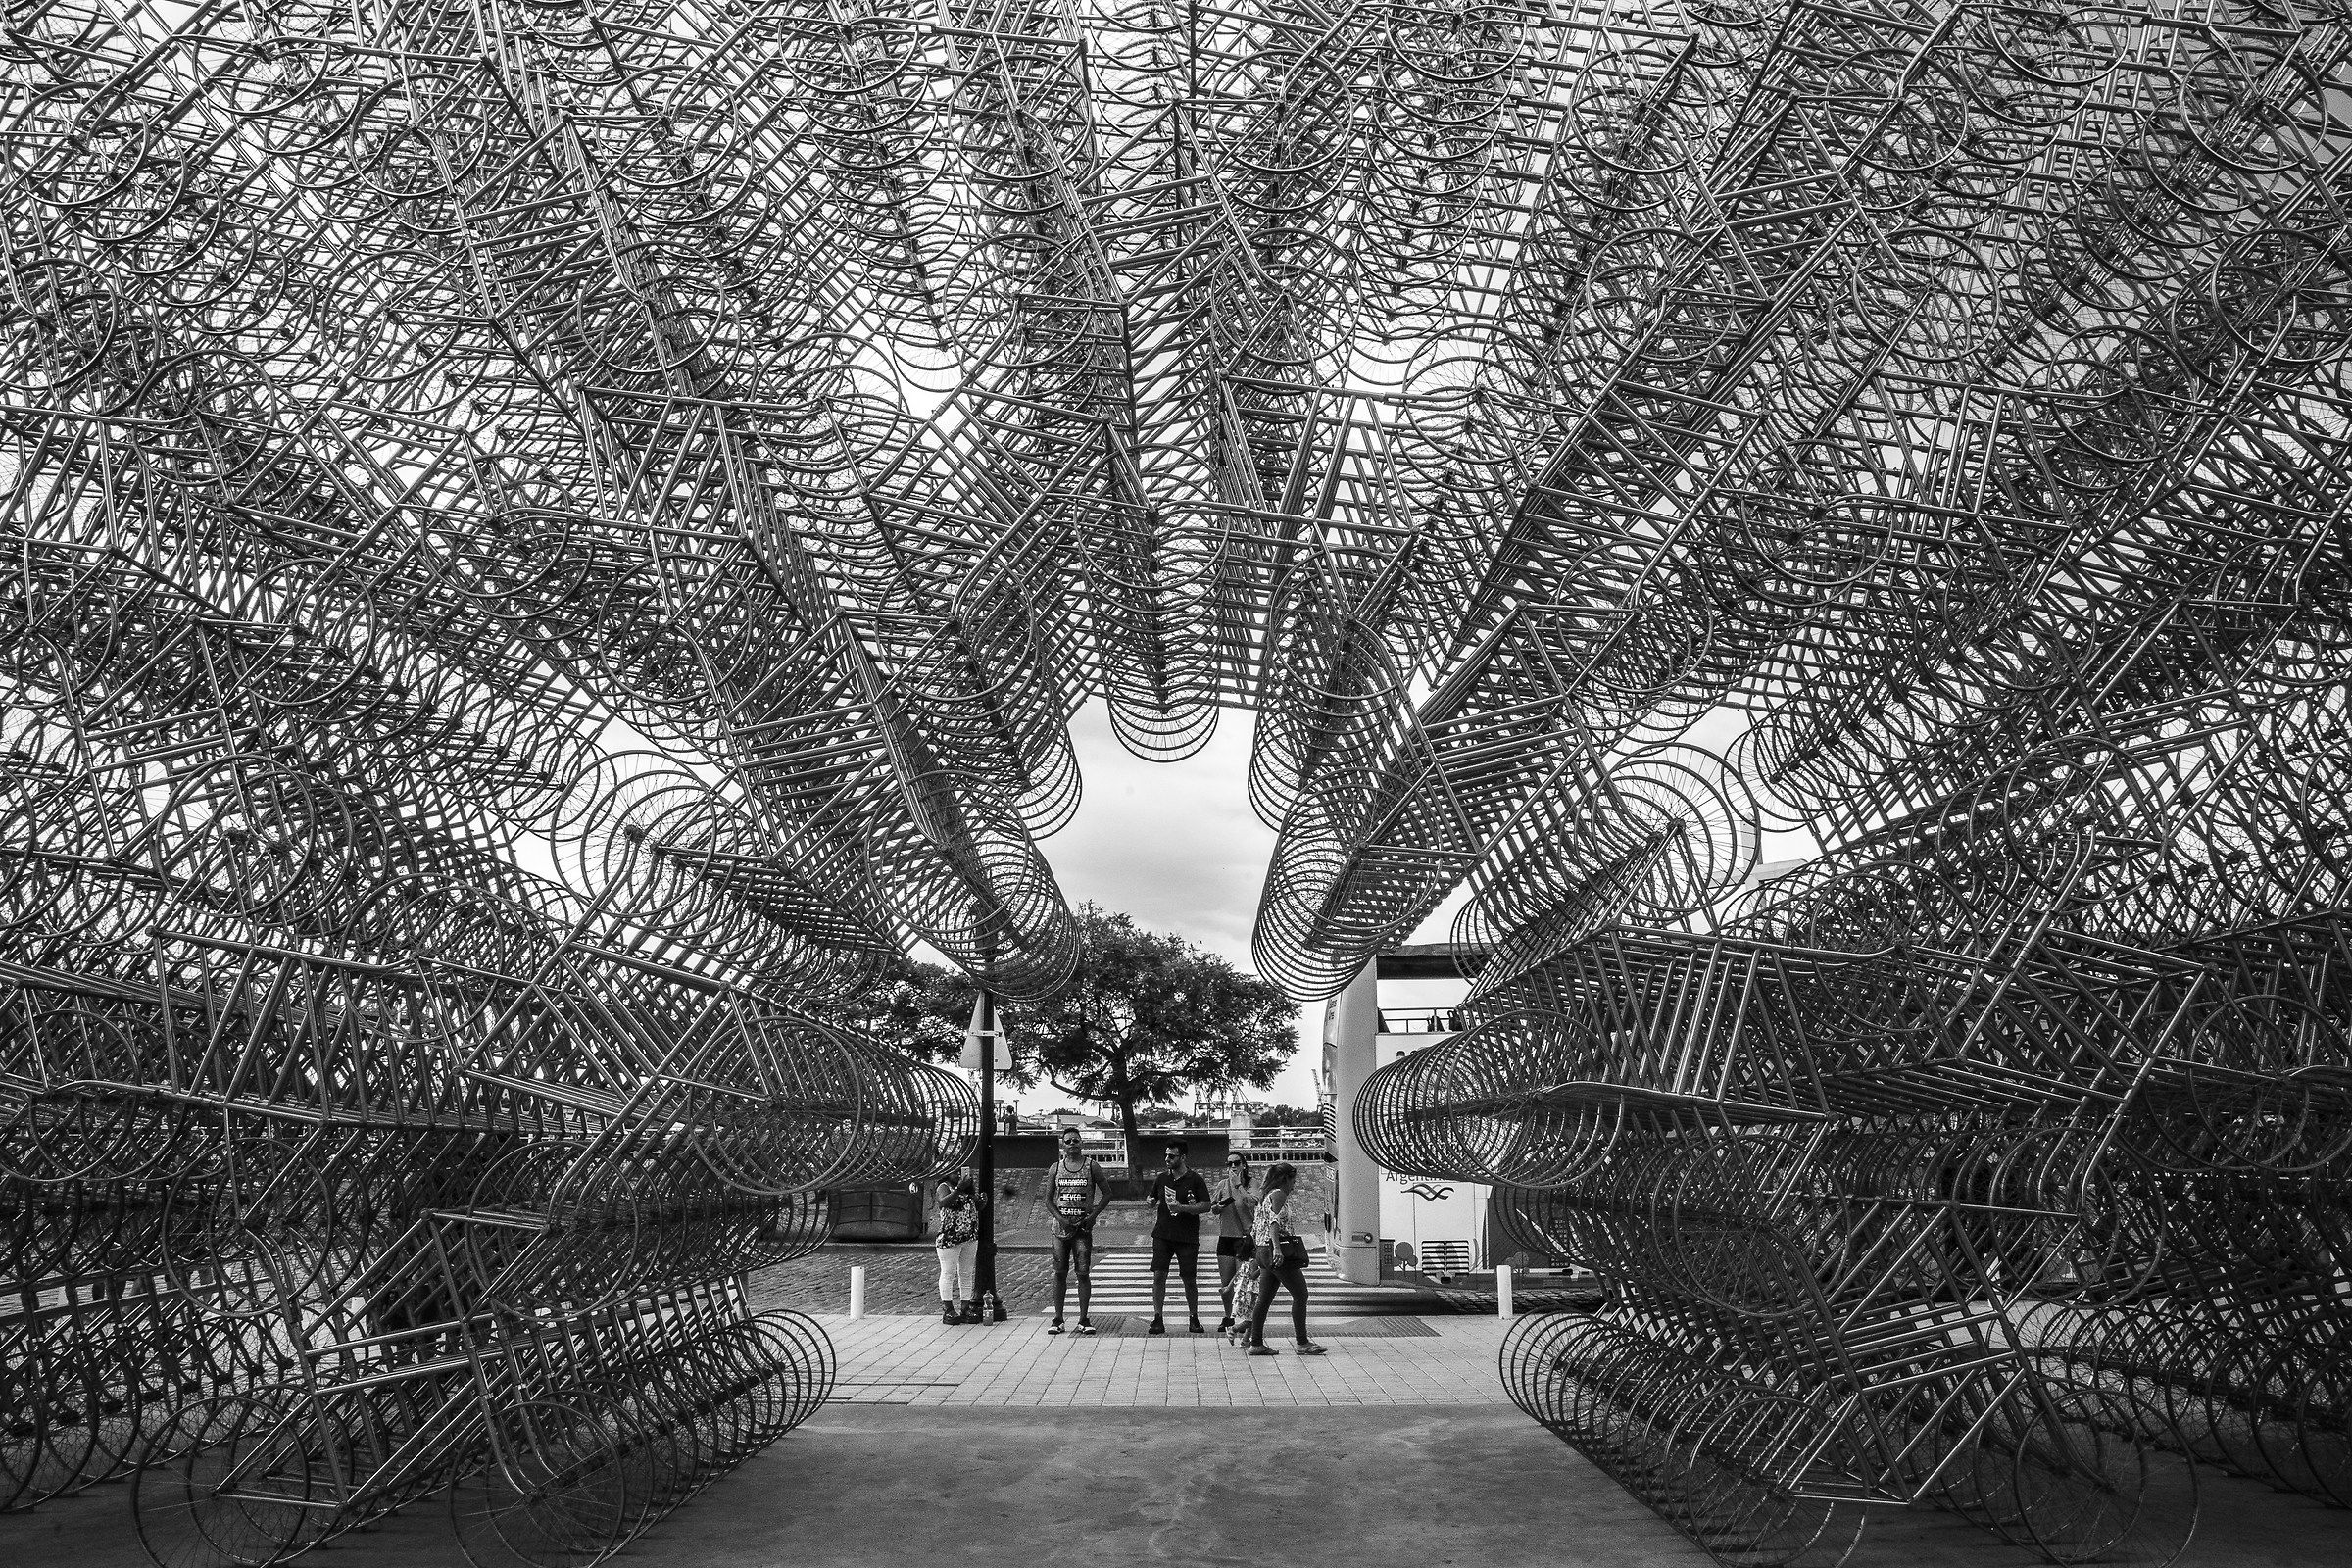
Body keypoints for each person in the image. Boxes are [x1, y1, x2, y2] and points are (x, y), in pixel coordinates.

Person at [1246, 1161, 1324, 1356]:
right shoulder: (1278, 1194)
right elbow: (1274, 1221)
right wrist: (1277, 1249)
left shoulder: (1266, 1195)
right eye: (1293, 1180)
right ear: (1285, 1179)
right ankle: (1302, 1341)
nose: (1294, 1185)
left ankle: (1256, 1342)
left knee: (1264, 1299)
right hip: (1275, 1250)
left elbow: (1257, 1226)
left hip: (1263, 1250)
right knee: (1301, 1294)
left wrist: (1260, 1253)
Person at [1044, 1127, 1112, 1334]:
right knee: (1059, 1272)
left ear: (1082, 1143)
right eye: (1068, 1141)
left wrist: (1093, 1216)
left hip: (1082, 1228)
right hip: (1060, 1230)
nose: (1072, 1144)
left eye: (1076, 1140)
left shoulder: (1092, 1167)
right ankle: (1058, 1318)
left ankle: (1083, 1318)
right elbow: (1048, 1200)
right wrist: (1060, 1218)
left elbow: (1107, 1193)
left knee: (1083, 1273)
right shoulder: (1056, 1168)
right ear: (1063, 1145)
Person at [1145, 1140, 1212, 1334]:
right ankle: (1158, 1317)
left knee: (1189, 1278)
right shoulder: (1161, 1178)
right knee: (1159, 1274)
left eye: (1172, 1156)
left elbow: (1206, 1205)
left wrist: (1183, 1208)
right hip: (1163, 1234)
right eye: (1166, 1155)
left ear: (1182, 1157)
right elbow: (1152, 1199)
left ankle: (1193, 1317)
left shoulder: (1195, 1179)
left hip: (1186, 1236)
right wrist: (1149, 1201)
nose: (1167, 1159)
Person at [1211, 1152, 1257, 1334]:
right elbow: (1213, 1208)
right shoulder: (1223, 1184)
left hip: (1244, 1238)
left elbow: (1253, 1202)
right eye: (1229, 1163)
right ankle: (1228, 1316)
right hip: (1226, 1236)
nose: (1232, 1166)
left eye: (1236, 1163)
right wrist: (1218, 1206)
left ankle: (1243, 1320)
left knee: (1241, 1281)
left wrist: (1238, 1185)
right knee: (1225, 1281)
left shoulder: (1251, 1183)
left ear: (1243, 1165)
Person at [934, 1165, 987, 1325]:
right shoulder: (944, 1187)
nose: (958, 1175)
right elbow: (943, 1202)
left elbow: (975, 1207)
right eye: (954, 1172)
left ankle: (965, 1307)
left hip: (969, 1237)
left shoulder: (968, 1189)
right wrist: (958, 1188)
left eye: (961, 1172)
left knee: (966, 1273)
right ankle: (948, 1309)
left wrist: (982, 1201)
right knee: (948, 1273)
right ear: (947, 1174)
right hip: (949, 1238)